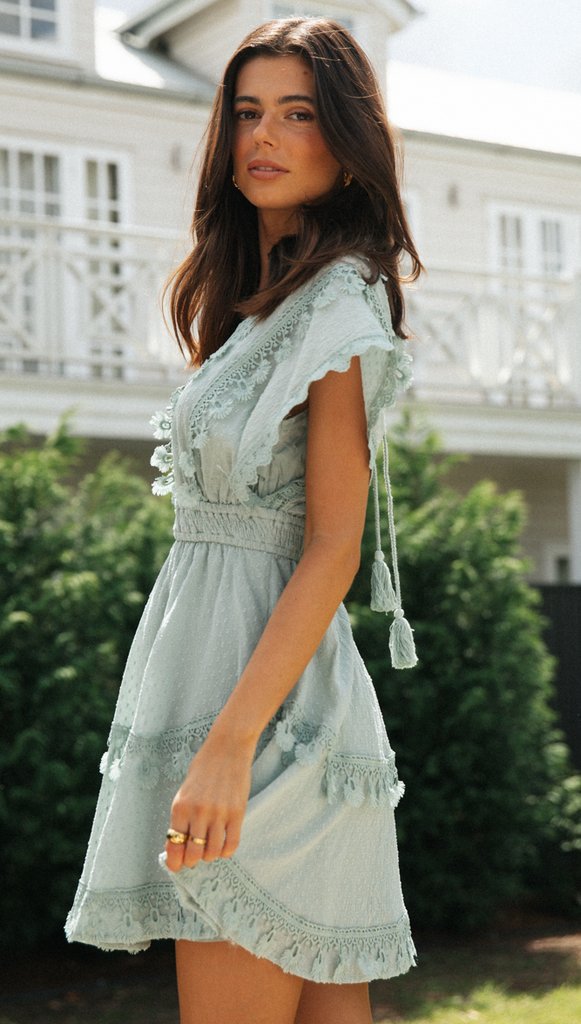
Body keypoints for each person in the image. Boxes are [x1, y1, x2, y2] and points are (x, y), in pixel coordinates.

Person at [65, 16, 424, 1024]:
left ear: (344, 142)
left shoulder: (335, 306)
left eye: (297, 114)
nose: (262, 135)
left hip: (267, 729)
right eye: (246, 112)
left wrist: (227, 747)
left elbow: (332, 545)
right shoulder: (257, 309)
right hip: (230, 700)